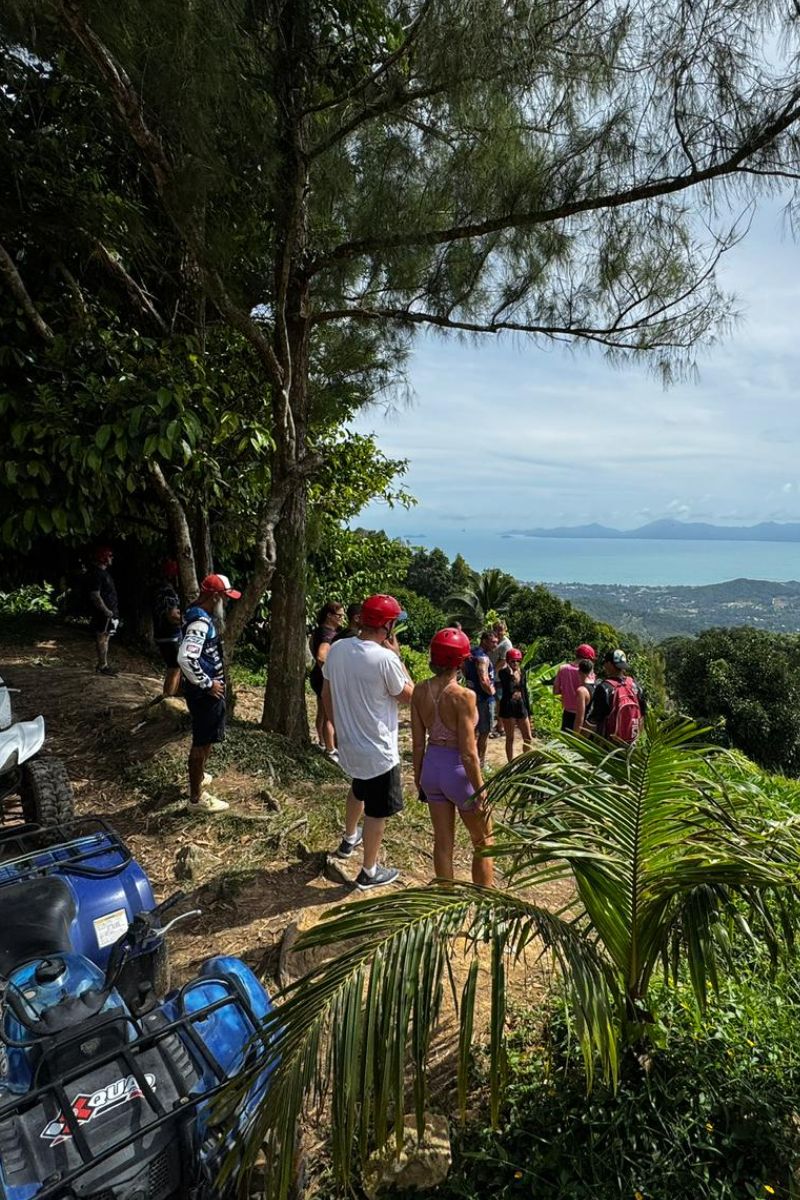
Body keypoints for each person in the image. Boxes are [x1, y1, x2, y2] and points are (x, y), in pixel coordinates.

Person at [322, 593, 413, 890]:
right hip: (379, 750)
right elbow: (409, 696)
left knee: (358, 790)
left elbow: (326, 692)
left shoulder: (337, 648)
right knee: (377, 812)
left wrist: (336, 725)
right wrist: (398, 657)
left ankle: (349, 840)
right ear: (387, 626)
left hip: (349, 745)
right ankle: (369, 872)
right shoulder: (385, 659)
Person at [411, 629, 493, 885]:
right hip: (457, 770)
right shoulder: (464, 697)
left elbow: (416, 743)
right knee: (484, 842)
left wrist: (419, 778)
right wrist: (481, 790)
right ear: (460, 660)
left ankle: (444, 903)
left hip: (432, 769)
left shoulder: (419, 690)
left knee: (443, 842)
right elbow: (469, 754)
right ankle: (483, 902)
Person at [177, 572, 241, 813]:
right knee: (201, 742)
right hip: (205, 693)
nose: (225, 603)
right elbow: (185, 657)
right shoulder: (200, 622)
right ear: (214, 597)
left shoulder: (196, 613)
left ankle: (200, 776)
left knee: (207, 739)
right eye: (224, 598)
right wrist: (206, 683)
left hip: (208, 691)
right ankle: (196, 799)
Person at [587, 649, 647, 743]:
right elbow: (642, 716)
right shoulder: (635, 685)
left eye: (605, 663)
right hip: (630, 745)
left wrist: (579, 739)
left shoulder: (604, 688)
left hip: (608, 745)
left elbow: (593, 721)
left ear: (609, 664)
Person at [309, 602, 345, 757]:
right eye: (339, 616)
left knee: (322, 712)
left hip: (317, 675)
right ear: (329, 616)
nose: (342, 619)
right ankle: (330, 749)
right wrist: (330, 673)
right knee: (330, 714)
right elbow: (321, 655)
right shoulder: (328, 634)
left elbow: (311, 645)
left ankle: (323, 742)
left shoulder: (319, 631)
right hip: (324, 677)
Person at [464, 630, 498, 769]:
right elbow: (484, 680)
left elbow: (464, 670)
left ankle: (470, 759)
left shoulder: (471, 654)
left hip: (471, 696)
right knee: (484, 732)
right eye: (493, 642)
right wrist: (492, 691)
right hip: (483, 699)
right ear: (484, 640)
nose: (495, 645)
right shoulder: (483, 658)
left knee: (472, 730)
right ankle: (481, 763)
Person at [152, 559, 182, 696]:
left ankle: (168, 696)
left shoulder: (157, 589)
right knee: (175, 668)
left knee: (173, 667)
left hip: (161, 633)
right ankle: (168, 698)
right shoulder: (168, 592)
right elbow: (172, 616)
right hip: (170, 636)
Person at [88, 545, 119, 676]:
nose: (112, 558)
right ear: (104, 558)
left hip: (110, 612)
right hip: (104, 614)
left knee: (105, 637)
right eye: (110, 556)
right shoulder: (97, 574)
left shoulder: (104, 573)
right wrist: (106, 610)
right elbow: (95, 595)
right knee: (102, 637)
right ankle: (102, 665)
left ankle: (103, 664)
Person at [498, 647, 533, 761]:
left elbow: (524, 691)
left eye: (518, 661)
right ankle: (510, 762)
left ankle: (525, 760)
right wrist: (512, 675)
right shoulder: (503, 673)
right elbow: (508, 689)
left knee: (528, 737)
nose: (516, 663)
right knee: (510, 738)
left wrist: (529, 711)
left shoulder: (522, 672)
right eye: (513, 661)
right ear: (508, 661)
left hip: (520, 704)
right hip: (508, 706)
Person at [553, 643, 597, 731]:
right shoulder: (589, 674)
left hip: (567, 713)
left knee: (565, 741)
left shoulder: (563, 669)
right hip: (584, 715)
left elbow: (556, 691)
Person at [489, 620, 513, 736]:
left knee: (499, 702)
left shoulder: (505, 644)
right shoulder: (496, 641)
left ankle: (500, 727)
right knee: (496, 702)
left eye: (500, 630)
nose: (498, 632)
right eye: (496, 629)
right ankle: (499, 725)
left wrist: (491, 672)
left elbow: (503, 661)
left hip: (499, 677)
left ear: (505, 630)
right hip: (494, 676)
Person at [573, 658, 597, 734]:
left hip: (584, 731)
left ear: (579, 671)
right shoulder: (596, 686)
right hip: (593, 729)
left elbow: (580, 718)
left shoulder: (582, 691)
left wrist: (575, 736)